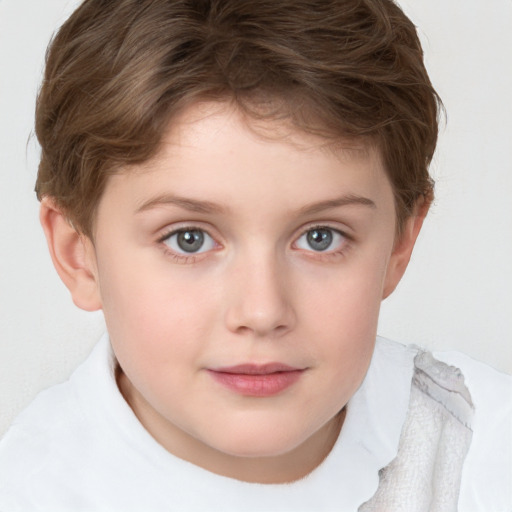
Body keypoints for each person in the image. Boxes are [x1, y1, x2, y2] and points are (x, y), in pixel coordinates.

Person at [0, 0, 509, 510]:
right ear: (78, 255)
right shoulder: (28, 490)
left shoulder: (485, 456)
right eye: (189, 239)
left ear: (400, 243)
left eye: (321, 237)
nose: (262, 312)